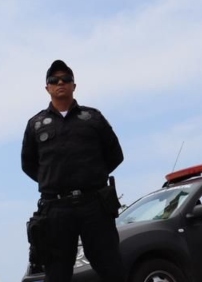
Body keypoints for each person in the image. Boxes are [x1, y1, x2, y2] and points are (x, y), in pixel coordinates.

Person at [21, 60, 125, 282]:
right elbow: (28, 164)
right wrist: (53, 181)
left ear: (74, 86)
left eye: (66, 79)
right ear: (47, 87)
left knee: (111, 267)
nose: (60, 83)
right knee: (57, 273)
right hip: (56, 209)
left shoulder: (92, 118)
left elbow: (115, 155)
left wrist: (92, 177)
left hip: (94, 205)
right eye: (54, 80)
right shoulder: (36, 124)